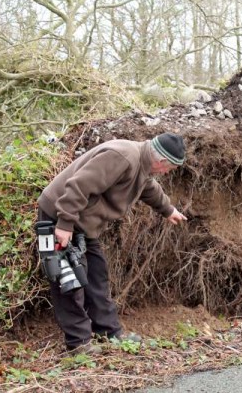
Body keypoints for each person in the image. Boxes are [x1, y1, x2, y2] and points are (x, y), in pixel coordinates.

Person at [36, 132, 188, 354]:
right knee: (68, 281)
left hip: (82, 223)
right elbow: (80, 185)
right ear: (160, 160)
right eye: (168, 168)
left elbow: (148, 187)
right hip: (58, 215)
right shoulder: (123, 156)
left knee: (96, 275)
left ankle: (108, 333)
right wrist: (64, 224)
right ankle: (79, 344)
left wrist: (168, 209)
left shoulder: (142, 164)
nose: (165, 173)